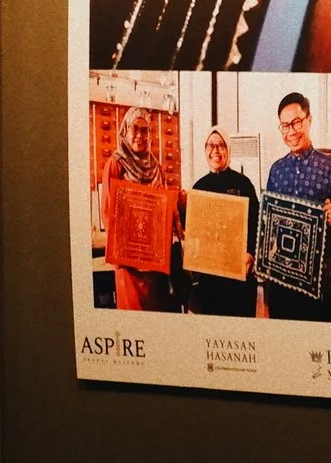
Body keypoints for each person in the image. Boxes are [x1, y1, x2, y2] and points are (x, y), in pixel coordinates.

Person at [262, 90, 331, 320]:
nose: (291, 132)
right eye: (285, 126)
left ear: (309, 120)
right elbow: (267, 223)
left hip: (317, 281)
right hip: (280, 281)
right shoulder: (276, 170)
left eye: (296, 122)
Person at [103, 106, 177, 311]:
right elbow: (109, 214)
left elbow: (164, 211)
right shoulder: (116, 165)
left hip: (155, 266)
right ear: (125, 130)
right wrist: (129, 256)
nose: (140, 135)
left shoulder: (156, 167)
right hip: (130, 267)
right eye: (135, 128)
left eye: (145, 130)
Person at [183, 127, 261, 317]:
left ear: (228, 149)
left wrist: (251, 254)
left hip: (239, 274)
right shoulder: (199, 187)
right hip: (210, 278)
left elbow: (257, 222)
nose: (215, 150)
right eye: (210, 145)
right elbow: (194, 231)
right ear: (205, 150)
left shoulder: (243, 184)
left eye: (221, 145)